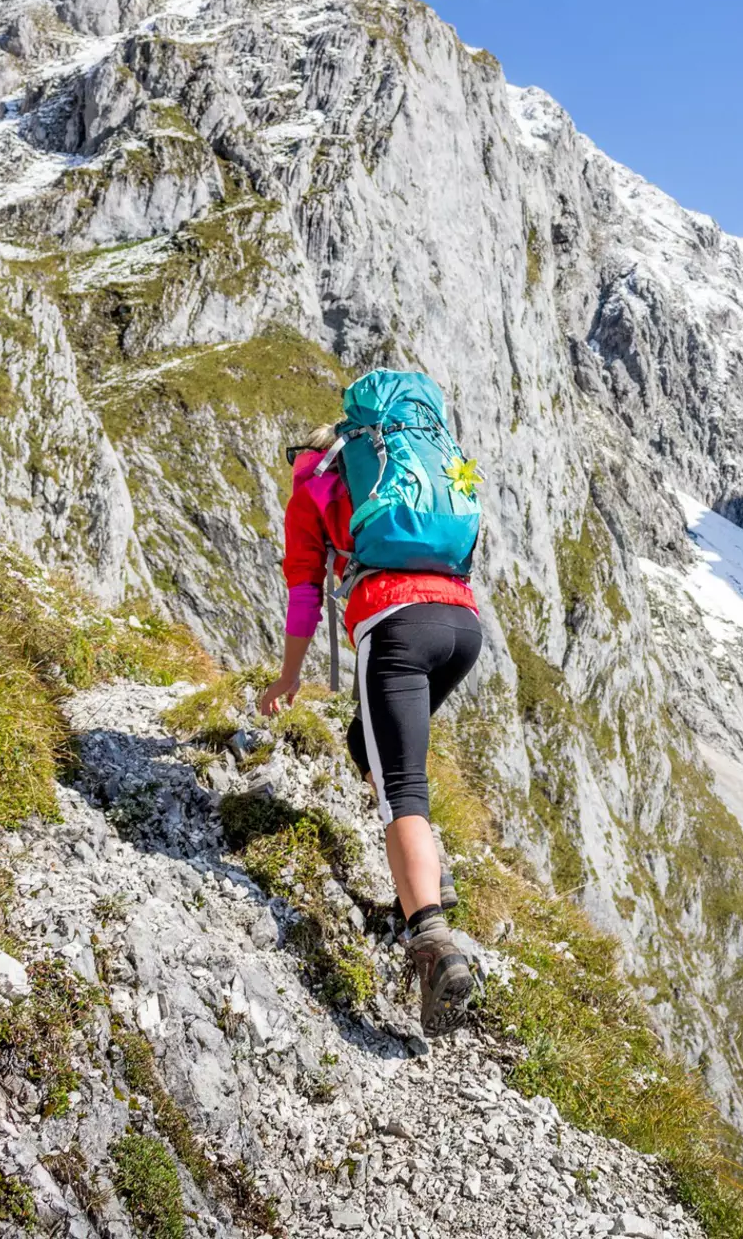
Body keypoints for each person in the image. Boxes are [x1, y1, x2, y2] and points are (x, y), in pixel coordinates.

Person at [258, 420, 484, 1033]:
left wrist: (288, 677)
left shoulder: (312, 487)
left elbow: (305, 595)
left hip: (399, 626)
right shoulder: (412, 466)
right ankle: (433, 877)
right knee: (370, 741)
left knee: (402, 793)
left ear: (309, 455)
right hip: (463, 625)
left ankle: (433, 942)